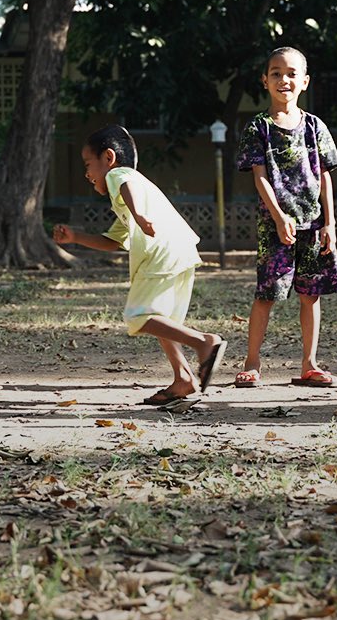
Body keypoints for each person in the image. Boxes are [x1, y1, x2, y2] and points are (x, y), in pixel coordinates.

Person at [52, 124, 226, 408]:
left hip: (161, 253)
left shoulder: (120, 176)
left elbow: (125, 183)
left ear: (108, 158)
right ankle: (183, 378)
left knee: (138, 316)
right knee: (160, 321)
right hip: (179, 249)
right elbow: (113, 241)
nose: (86, 174)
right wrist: (75, 238)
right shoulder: (129, 195)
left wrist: (140, 215)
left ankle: (203, 342)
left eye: (88, 164)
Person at [233, 46, 337, 388]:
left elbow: (325, 174)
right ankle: (252, 363)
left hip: (313, 224)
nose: (284, 79)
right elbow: (260, 176)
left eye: (292, 73)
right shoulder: (259, 127)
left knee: (311, 295)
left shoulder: (314, 126)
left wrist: (330, 222)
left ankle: (309, 364)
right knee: (267, 294)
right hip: (275, 226)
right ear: (265, 80)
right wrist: (279, 217)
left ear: (305, 82)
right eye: (276, 73)